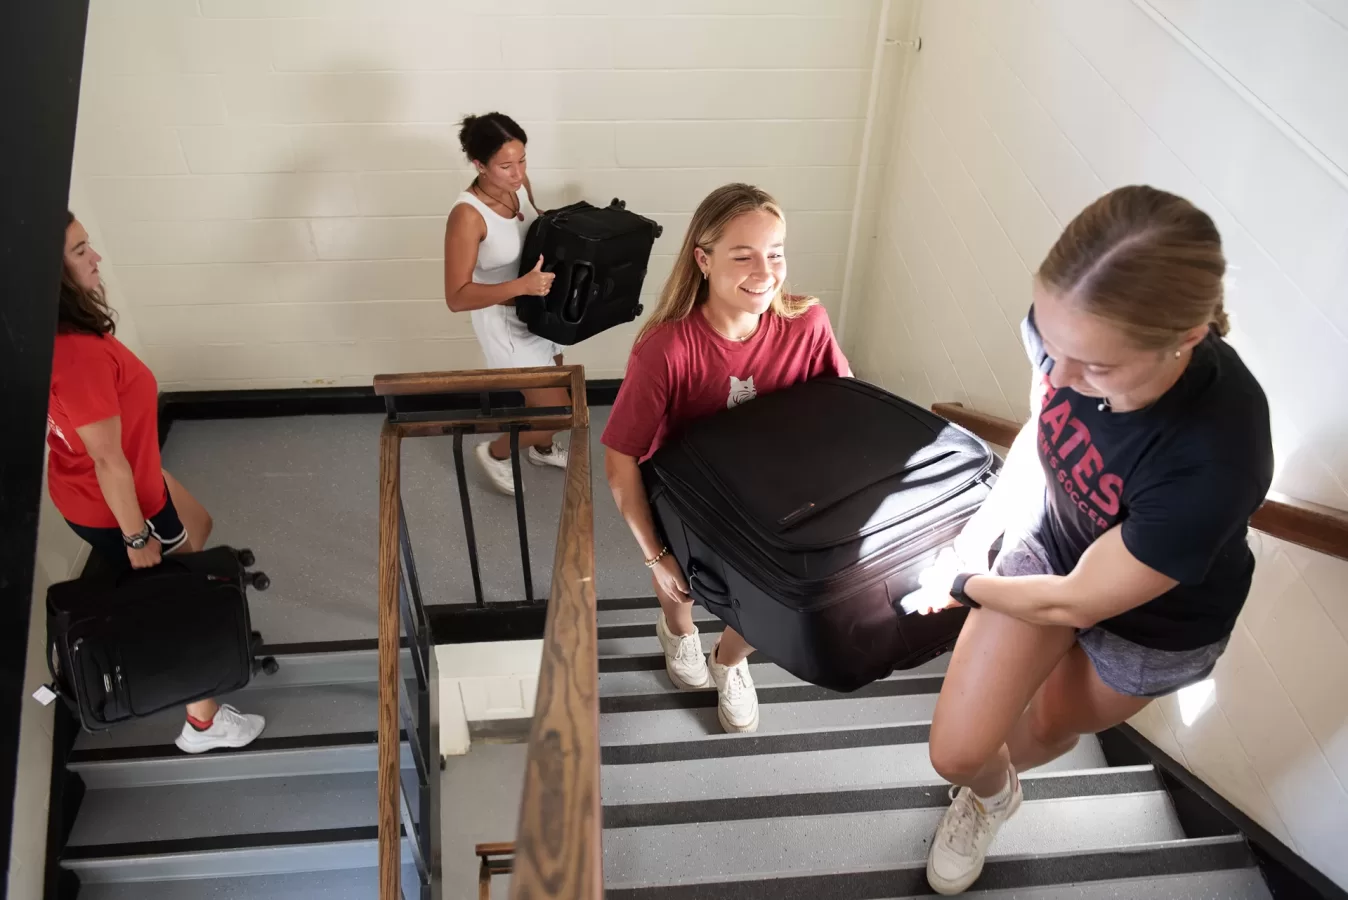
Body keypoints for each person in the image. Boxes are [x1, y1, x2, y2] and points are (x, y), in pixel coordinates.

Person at [899, 186, 1273, 895]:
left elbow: (1078, 599)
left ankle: (988, 801)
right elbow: (1042, 436)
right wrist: (976, 539)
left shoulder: (1219, 453)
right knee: (959, 752)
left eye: (1095, 367)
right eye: (1050, 343)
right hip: (1055, 543)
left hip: (1157, 626)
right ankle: (990, 793)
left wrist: (959, 586)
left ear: (1185, 338)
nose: (1059, 376)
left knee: (1044, 724)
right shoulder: (1064, 338)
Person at [603, 184, 852, 734]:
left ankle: (730, 660)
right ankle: (679, 631)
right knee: (680, 586)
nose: (765, 271)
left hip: (772, 493)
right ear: (703, 259)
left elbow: (846, 409)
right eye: (743, 256)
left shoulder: (808, 322)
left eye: (776, 252)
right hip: (685, 494)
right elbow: (620, 458)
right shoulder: (667, 347)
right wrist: (654, 558)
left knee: (781, 597)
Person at [47, 212, 267, 755]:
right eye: (79, 252)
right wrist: (137, 538)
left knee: (200, 526)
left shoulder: (57, 336)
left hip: (106, 486)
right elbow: (106, 460)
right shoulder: (76, 355)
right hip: (121, 505)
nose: (95, 258)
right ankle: (203, 724)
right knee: (177, 602)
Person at [443, 111, 569, 495]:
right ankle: (495, 452)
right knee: (560, 411)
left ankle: (542, 448)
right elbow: (457, 296)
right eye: (505, 166)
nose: (517, 173)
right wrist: (522, 286)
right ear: (479, 165)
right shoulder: (467, 216)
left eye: (523, 160)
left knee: (559, 384)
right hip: (504, 318)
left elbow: (533, 225)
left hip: (539, 303)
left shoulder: (518, 185)